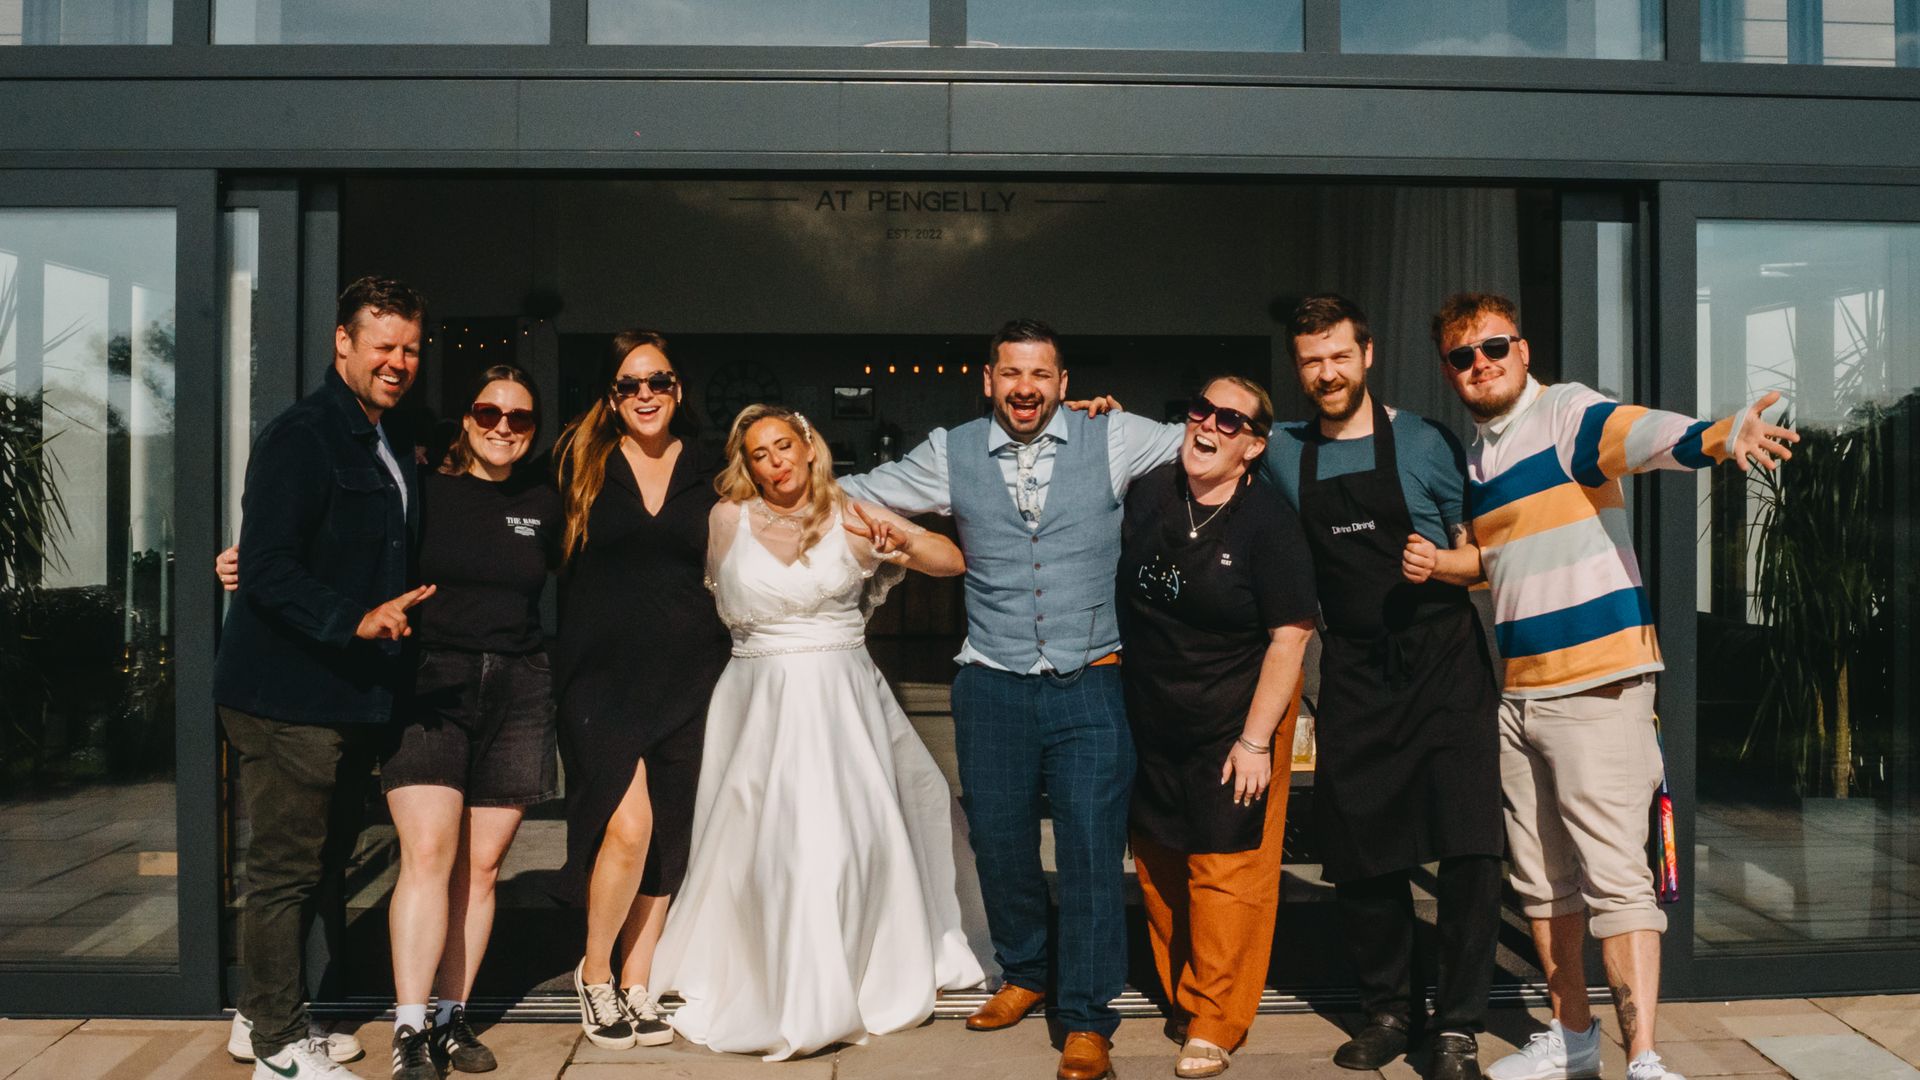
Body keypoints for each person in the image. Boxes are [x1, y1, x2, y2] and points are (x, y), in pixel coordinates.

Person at [1432, 292, 1795, 1080]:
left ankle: (1647, 1061)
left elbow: (1639, 436)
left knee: (1616, 880)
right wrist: (1443, 565)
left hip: (1598, 686)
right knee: (1541, 879)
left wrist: (1718, 437)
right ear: (1449, 372)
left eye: (1494, 347)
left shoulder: (1563, 413)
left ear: (1523, 351)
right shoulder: (1478, 458)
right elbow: (1509, 565)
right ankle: (1572, 1039)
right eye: (1462, 356)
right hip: (1521, 693)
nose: (1480, 364)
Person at [841, 319, 1183, 1080]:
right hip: (990, 680)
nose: (1025, 388)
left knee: (1093, 853)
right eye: (1010, 374)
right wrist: (768, 491)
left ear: (1064, 383)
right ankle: (1026, 972)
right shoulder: (951, 449)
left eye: (1040, 375)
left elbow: (1213, 442)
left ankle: (1088, 1016)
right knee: (999, 843)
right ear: (988, 380)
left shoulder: (1116, 434)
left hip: (1091, 676)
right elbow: (858, 491)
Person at [219, 364, 564, 1079]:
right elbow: (341, 547)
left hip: (519, 690)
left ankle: (451, 1017)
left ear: (535, 429)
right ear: (465, 418)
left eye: (520, 418)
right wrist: (245, 561)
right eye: (487, 411)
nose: (503, 426)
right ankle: (410, 1029)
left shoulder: (547, 499)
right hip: (428, 684)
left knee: (483, 866)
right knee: (429, 854)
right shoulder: (418, 489)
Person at [647, 404, 983, 1059]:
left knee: (833, 844)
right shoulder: (726, 520)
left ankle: (840, 978)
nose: (775, 463)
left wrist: (903, 544)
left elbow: (950, 560)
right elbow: (707, 601)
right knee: (758, 845)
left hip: (839, 702)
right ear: (749, 466)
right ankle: (759, 971)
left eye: (783, 446)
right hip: (754, 701)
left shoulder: (853, 514)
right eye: (759, 454)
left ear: (808, 447)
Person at [1263, 295, 1505, 1080]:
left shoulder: (1427, 443)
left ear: (1367, 355)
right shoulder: (1281, 451)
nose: (1327, 373)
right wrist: (1094, 412)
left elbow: (1487, 554)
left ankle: (1461, 1023)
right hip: (1358, 668)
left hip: (1442, 663)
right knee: (1365, 850)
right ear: (1298, 369)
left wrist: (1442, 565)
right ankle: (1390, 1012)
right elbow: (1198, 441)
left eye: (1339, 356)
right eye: (1311, 361)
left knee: (1469, 848)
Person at [214, 276, 431, 1080]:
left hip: (342, 698)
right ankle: (276, 1044)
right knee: (284, 871)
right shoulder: (302, 435)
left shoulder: (387, 435)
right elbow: (266, 562)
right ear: (343, 342)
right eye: (383, 345)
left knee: (315, 866)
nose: (397, 361)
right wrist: (355, 618)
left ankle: (260, 1019)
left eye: (410, 347)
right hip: (286, 695)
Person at [1118, 377, 1316, 1079]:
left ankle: (1217, 1019)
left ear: (1254, 445)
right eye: (1200, 409)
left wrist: (1257, 740)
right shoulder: (1149, 493)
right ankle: (1184, 995)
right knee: (1162, 864)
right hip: (1153, 713)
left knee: (1227, 869)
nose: (1208, 424)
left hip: (1238, 716)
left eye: (1229, 421)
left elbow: (1290, 637)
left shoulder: (1268, 521)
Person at [552, 330, 732, 1050]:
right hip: (599, 678)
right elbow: (488, 497)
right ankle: (595, 975)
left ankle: (637, 979)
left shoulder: (713, 466)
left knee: (671, 838)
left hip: (692, 675)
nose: (646, 395)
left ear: (678, 389)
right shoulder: (577, 461)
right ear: (611, 396)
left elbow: (790, 495)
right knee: (628, 829)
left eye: (658, 381)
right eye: (630, 385)